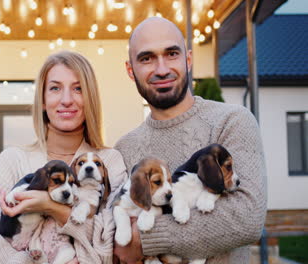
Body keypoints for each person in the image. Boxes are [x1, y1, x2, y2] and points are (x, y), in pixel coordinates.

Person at [113, 17, 267, 263]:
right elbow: (115, 228)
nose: (161, 69)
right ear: (131, 70)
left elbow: (247, 217)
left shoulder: (232, 121)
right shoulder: (125, 148)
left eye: (172, 54)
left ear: (188, 59)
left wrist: (145, 240)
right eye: (147, 58)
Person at [0, 51, 127, 263]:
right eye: (55, 88)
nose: (66, 100)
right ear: (42, 100)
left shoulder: (110, 162)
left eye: (78, 88)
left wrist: (52, 207)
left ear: (90, 98)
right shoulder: (12, 161)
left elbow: (117, 249)